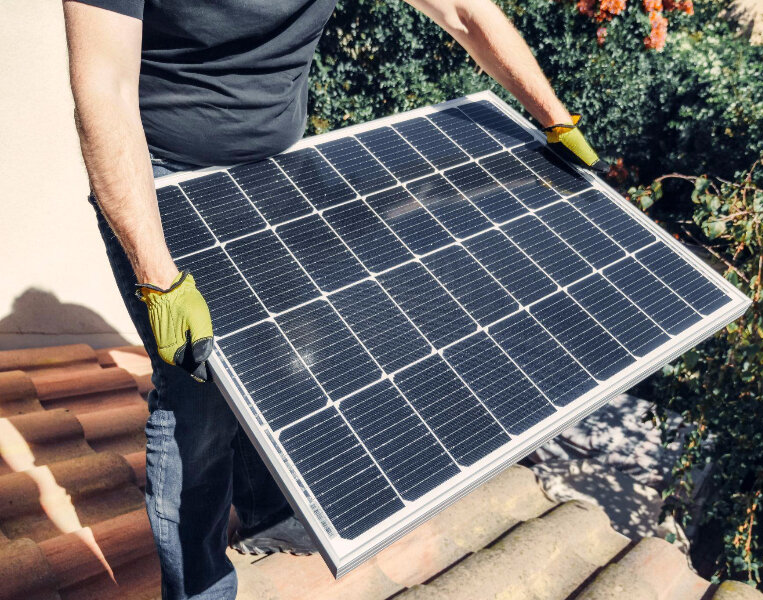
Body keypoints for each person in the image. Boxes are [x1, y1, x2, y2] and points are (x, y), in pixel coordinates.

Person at [62, 1, 604, 598]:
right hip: (162, 172)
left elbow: (463, 12)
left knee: (273, 359)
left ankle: (265, 514)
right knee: (197, 402)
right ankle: (201, 588)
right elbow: (103, 89)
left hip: (278, 168)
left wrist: (554, 117)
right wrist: (157, 276)